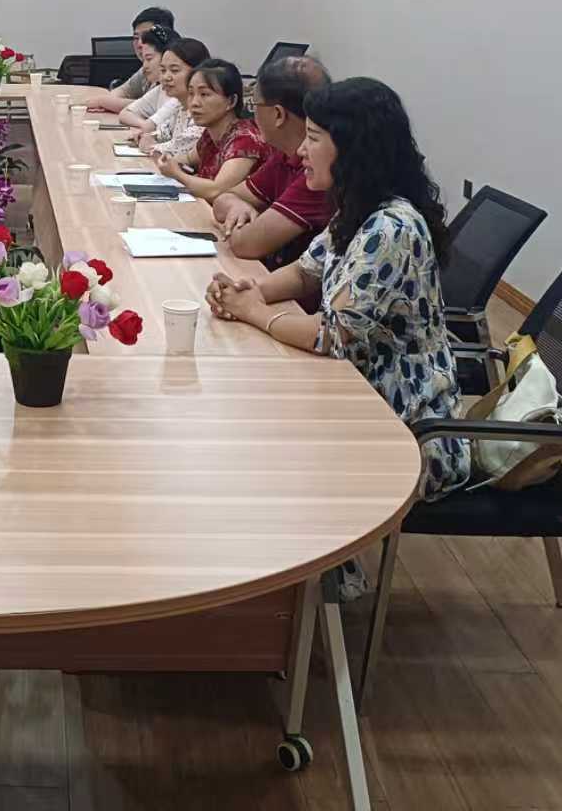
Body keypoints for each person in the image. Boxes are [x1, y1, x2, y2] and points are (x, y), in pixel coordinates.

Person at [206, 77, 469, 503]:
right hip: (353, 394)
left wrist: (255, 311)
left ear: (352, 148)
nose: (301, 151)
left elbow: (331, 335)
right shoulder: (357, 208)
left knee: (254, 453)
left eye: (313, 138)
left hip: (404, 428)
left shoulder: (390, 228)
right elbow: (304, 273)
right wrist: (246, 290)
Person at [212, 54, 333, 265]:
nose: (252, 114)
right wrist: (236, 207)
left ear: (278, 114)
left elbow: (247, 244)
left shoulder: (318, 172)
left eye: (254, 105)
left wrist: (236, 224)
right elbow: (223, 199)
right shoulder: (284, 155)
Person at [153, 59, 269, 203]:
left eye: (204, 94)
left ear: (231, 101)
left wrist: (177, 174)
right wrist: (169, 162)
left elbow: (217, 190)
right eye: (191, 93)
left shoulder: (245, 139)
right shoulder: (211, 133)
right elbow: (188, 159)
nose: (194, 103)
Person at [122, 37, 208, 158]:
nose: (166, 77)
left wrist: (152, 145)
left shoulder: (204, 110)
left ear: (197, 72)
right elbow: (165, 132)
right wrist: (148, 136)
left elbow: (182, 148)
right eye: (163, 70)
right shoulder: (180, 105)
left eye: (174, 70)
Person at [90, 7, 178, 114]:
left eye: (147, 37)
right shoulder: (146, 69)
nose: (140, 44)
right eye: (136, 38)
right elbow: (123, 91)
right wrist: (106, 103)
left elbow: (149, 107)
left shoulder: (173, 77)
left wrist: (104, 102)